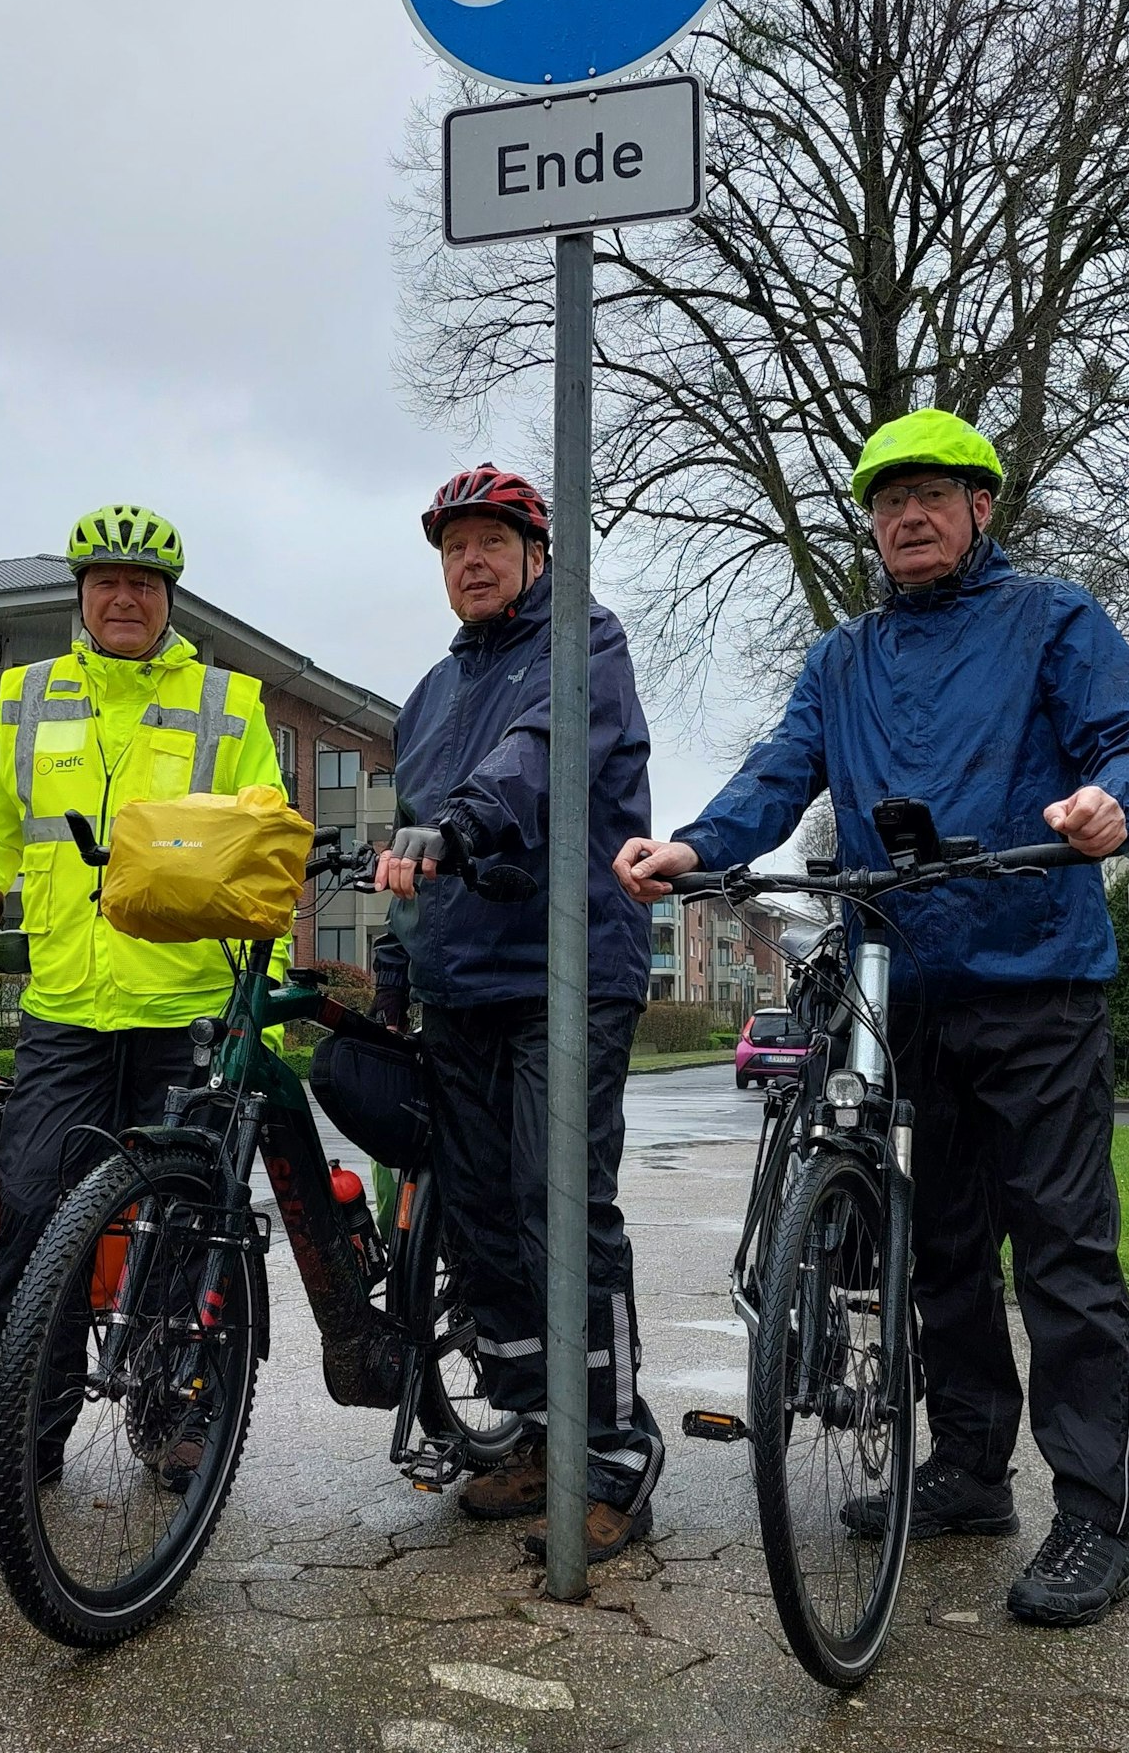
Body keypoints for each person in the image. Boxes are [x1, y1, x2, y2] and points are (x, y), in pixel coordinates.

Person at [615, 410, 1129, 1628]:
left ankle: (1092, 1512)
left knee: (1065, 1255)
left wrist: (1106, 801)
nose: (907, 515)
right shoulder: (841, 658)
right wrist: (698, 844)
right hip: (900, 984)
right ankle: (970, 1471)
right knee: (939, 1252)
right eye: (886, 500)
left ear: (982, 507)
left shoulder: (1052, 619)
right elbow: (778, 769)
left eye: (931, 493)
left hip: (1034, 977)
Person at [0, 504, 288, 1511]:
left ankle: (174, 1426)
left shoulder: (228, 701)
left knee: (181, 1222)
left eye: (142, 582)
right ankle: (20, 1442)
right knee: (36, 1212)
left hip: (186, 1005)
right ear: (80, 595)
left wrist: (264, 990)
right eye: (104, 581)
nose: (122, 596)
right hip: (67, 1004)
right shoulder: (25, 695)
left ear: (168, 598)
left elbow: (264, 847)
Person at [371, 464, 663, 1566]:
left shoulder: (584, 643)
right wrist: (397, 974)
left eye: (492, 540)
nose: (471, 561)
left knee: (561, 1210)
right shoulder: (430, 694)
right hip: (459, 984)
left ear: (536, 552)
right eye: (453, 547)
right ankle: (539, 1428)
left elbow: (536, 757)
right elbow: (407, 834)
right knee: (484, 1219)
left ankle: (617, 1457)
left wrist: (464, 820)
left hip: (565, 971)